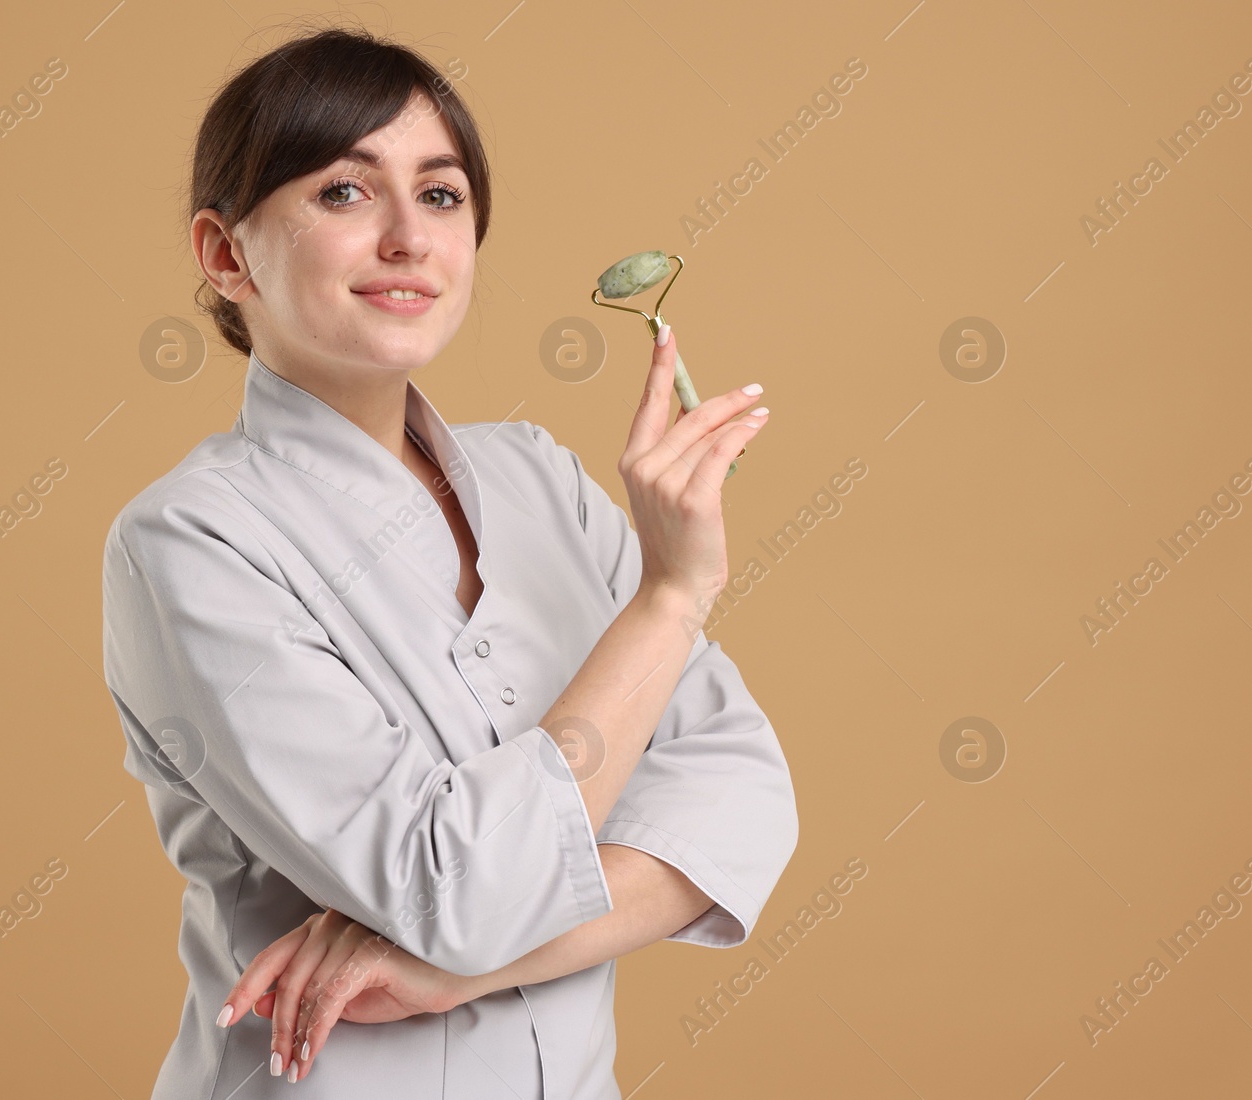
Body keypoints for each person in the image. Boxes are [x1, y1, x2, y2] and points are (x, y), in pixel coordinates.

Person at [100, 23, 798, 1099]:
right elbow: (453, 885)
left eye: (439, 195)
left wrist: (444, 972)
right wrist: (671, 595)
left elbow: (744, 798)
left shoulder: (542, 481)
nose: (407, 239)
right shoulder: (189, 542)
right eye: (343, 192)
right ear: (225, 253)